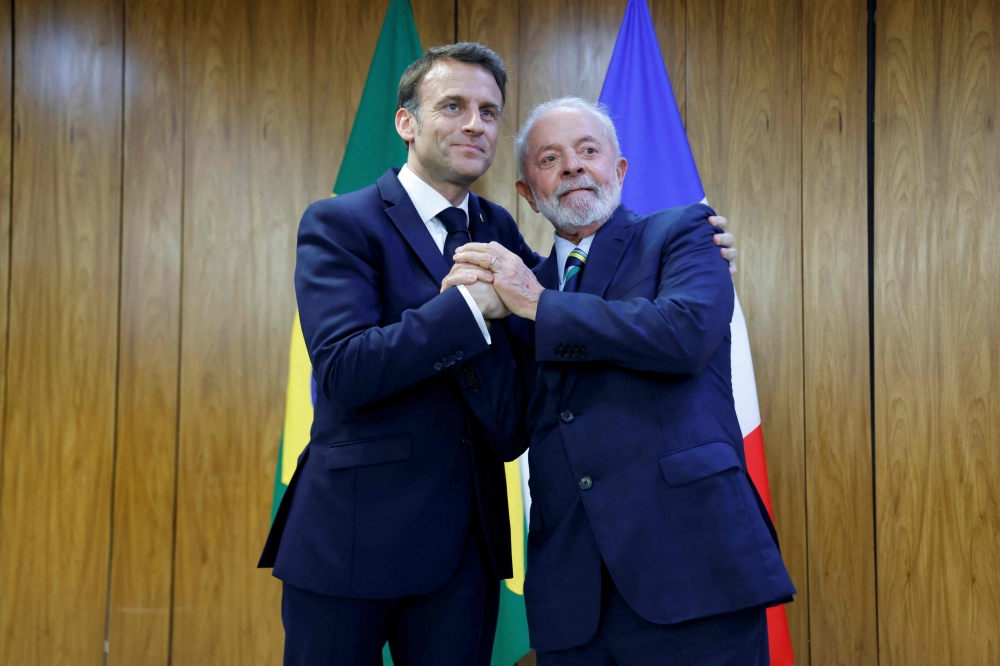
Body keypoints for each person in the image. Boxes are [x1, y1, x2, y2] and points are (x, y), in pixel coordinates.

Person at [260, 41, 737, 665]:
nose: (474, 124)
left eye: (489, 111)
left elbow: (567, 313)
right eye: (453, 106)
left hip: (468, 549)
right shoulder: (340, 223)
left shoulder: (501, 233)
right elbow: (346, 372)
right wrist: (462, 313)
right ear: (407, 122)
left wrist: (698, 260)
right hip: (350, 539)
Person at [446, 97, 794, 666]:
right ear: (527, 192)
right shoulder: (518, 286)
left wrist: (539, 306)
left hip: (693, 567)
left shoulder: (684, 233)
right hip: (573, 595)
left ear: (620, 170)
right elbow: (509, 429)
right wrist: (464, 325)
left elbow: (680, 336)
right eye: (550, 158)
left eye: (589, 151)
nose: (573, 167)